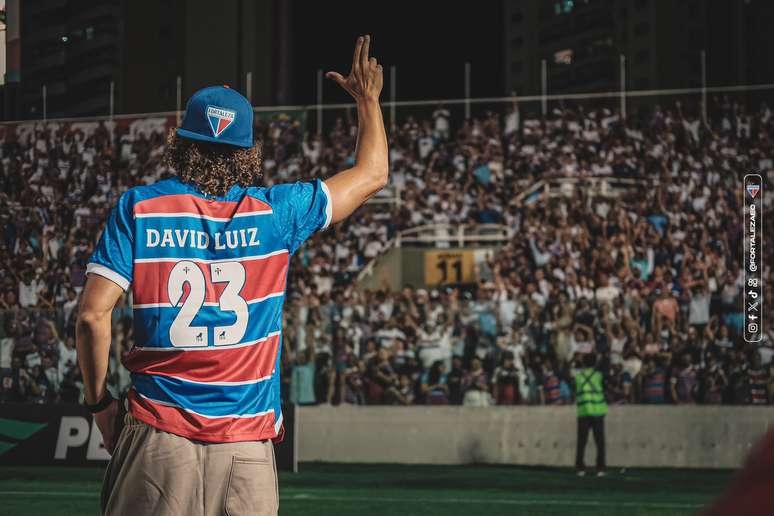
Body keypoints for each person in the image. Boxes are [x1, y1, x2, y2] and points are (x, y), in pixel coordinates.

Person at [77, 36, 387, 516]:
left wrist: (101, 406)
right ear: (247, 151)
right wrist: (367, 100)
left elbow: (92, 317)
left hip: (159, 434)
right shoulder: (277, 212)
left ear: (181, 143)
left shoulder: (139, 207)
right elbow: (372, 173)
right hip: (247, 443)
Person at [574, 352, 608, 477]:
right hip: (598, 411)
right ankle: (600, 468)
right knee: (600, 442)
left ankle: (580, 468)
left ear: (583, 363)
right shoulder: (599, 376)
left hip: (583, 411)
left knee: (581, 441)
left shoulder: (578, 377)